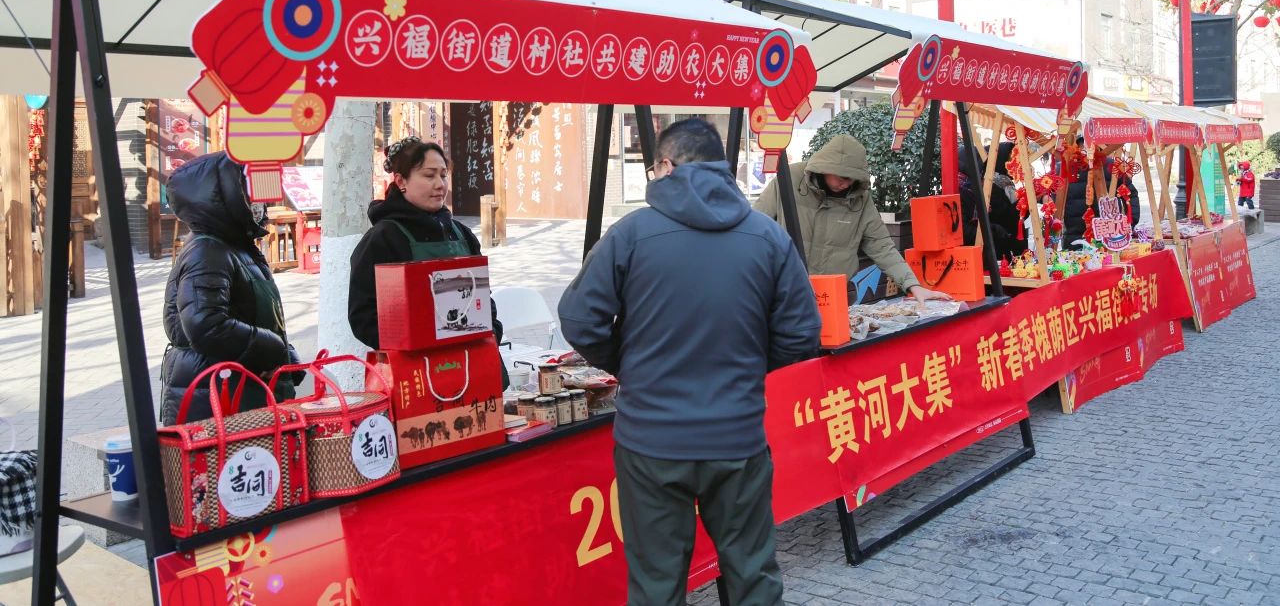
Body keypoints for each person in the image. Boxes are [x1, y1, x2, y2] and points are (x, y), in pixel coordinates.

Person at [558, 119, 820, 606]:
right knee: (753, 575)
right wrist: (748, 366)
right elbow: (802, 333)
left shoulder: (631, 234)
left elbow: (579, 319)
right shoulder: (768, 237)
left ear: (665, 165)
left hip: (651, 441)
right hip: (737, 436)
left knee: (657, 584)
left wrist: (629, 363)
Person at [348, 137, 506, 387]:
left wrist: (492, 332)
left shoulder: (461, 234)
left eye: (443, 175)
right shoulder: (383, 239)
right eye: (429, 175)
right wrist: (411, 344)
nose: (440, 184)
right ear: (401, 181)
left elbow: (483, 297)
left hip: (474, 364)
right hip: (417, 374)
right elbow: (363, 315)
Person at [160, 152, 301, 426]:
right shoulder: (206, 251)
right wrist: (272, 348)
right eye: (248, 192)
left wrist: (285, 354)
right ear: (224, 195)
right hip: (218, 395)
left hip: (242, 387)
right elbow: (206, 324)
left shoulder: (235, 247)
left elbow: (251, 314)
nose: (258, 203)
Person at [754, 134, 951, 304]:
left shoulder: (860, 198)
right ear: (824, 168)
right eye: (842, 178)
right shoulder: (789, 179)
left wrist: (913, 285)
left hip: (832, 295)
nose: (846, 184)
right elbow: (755, 228)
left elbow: (881, 245)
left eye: (852, 179)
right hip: (783, 289)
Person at [1061, 143, 1140, 249]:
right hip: (1074, 238)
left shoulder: (1111, 166)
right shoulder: (1065, 167)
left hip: (1109, 235)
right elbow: (1046, 193)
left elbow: (1130, 194)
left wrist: (1130, 223)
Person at [958, 142, 1026, 260]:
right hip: (983, 251)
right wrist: (994, 230)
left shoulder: (1001, 183)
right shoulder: (984, 186)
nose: (1012, 163)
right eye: (1009, 159)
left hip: (997, 246)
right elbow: (1004, 215)